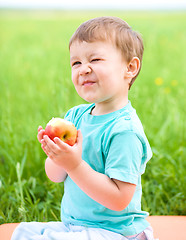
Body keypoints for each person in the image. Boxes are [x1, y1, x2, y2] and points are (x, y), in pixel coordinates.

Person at [0, 16, 157, 240]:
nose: (83, 69)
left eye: (95, 59)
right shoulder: (75, 117)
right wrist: (56, 156)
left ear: (129, 68)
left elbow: (119, 199)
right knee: (23, 232)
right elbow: (55, 176)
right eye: (76, 63)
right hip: (76, 226)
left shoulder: (125, 131)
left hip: (115, 232)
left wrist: (74, 165)